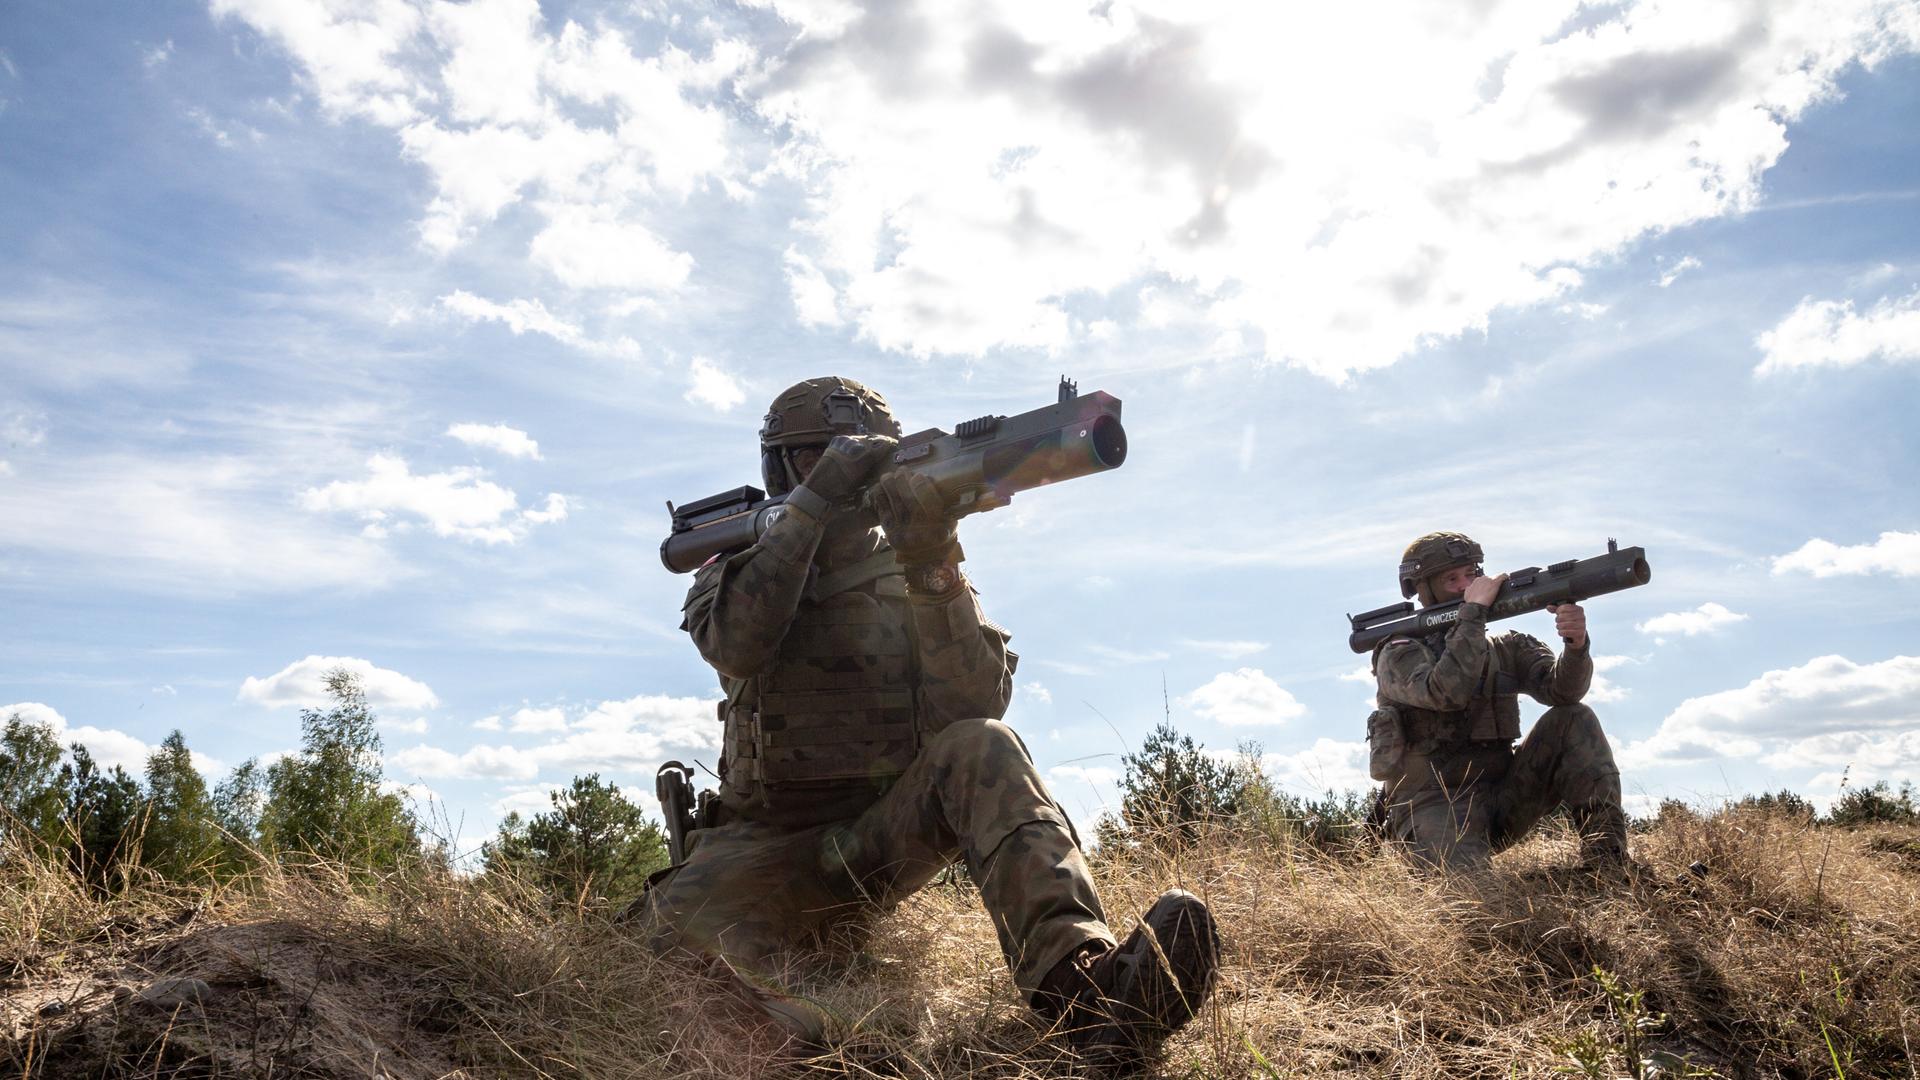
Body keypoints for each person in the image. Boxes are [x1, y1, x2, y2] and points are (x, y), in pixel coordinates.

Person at [638, 376, 1218, 1069]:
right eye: (825, 457)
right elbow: (737, 643)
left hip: (868, 845)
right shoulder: (739, 562)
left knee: (986, 746)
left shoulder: (906, 567)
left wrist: (932, 557)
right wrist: (817, 502)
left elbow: (970, 711)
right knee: (660, 966)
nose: (853, 472)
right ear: (789, 466)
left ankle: (1086, 998)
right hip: (757, 853)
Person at [1367, 531, 1628, 873]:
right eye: (1452, 579)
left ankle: (1609, 865)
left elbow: (1563, 693)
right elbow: (1444, 692)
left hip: (1502, 799)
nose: (1467, 586)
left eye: (1472, 574)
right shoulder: (1399, 652)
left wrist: (1575, 645)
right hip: (1432, 805)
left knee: (1574, 718)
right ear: (1424, 588)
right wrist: (1473, 614)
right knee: (1473, 907)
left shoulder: (1508, 646)